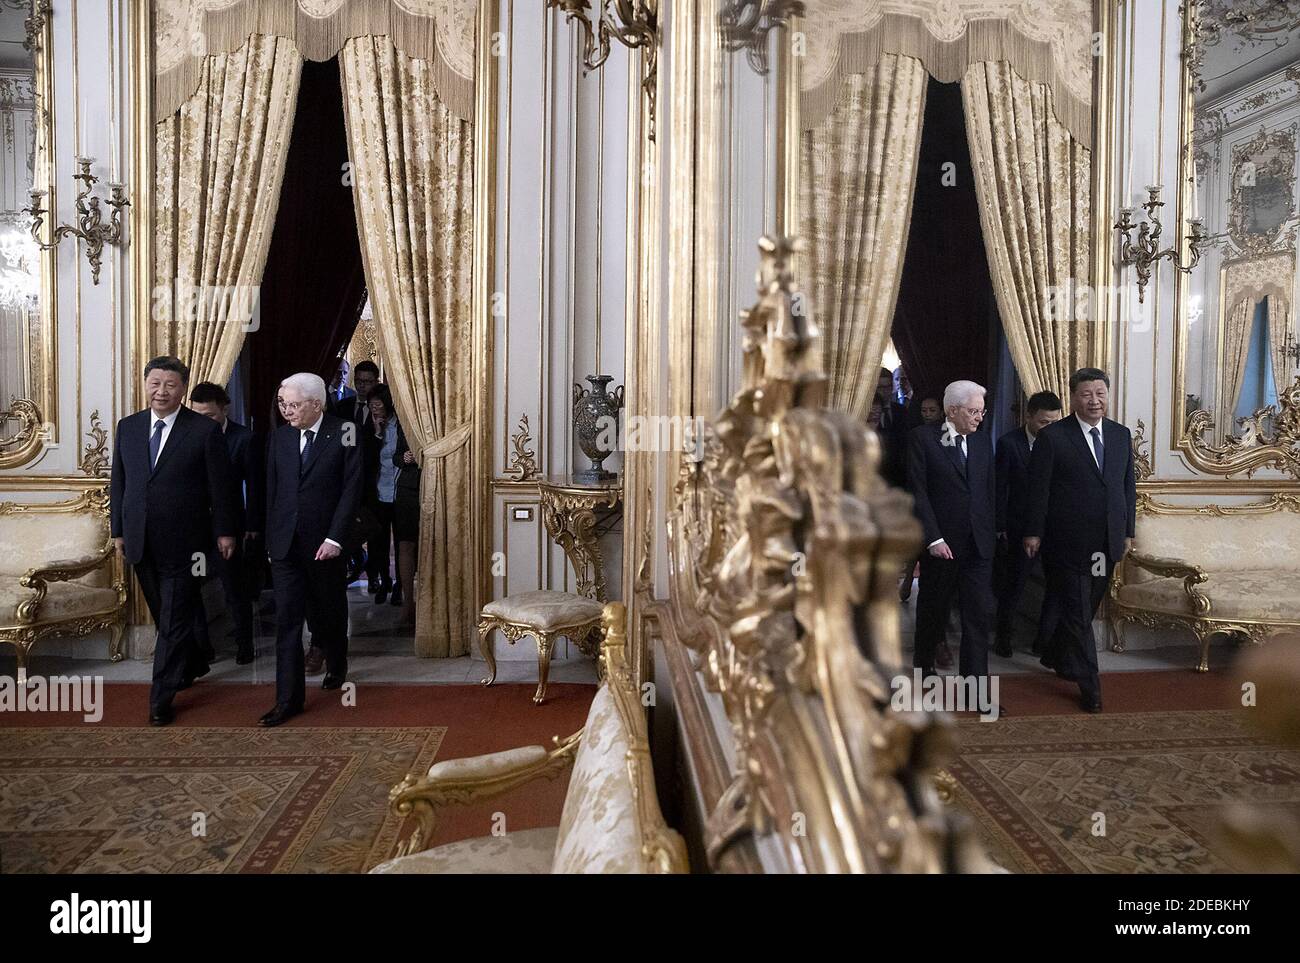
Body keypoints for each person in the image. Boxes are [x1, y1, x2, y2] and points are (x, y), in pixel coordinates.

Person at [110, 357, 237, 726]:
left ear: (182, 389)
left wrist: (225, 531)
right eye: (155, 383)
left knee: (173, 617)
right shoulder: (128, 427)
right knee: (164, 609)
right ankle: (195, 660)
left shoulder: (202, 430)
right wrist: (118, 530)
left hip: (187, 542)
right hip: (139, 538)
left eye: (170, 384)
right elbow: (120, 482)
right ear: (145, 383)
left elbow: (221, 487)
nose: (161, 391)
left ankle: (161, 696)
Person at [1024, 368, 1136, 714]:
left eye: (1100, 393)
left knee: (1086, 608)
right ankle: (1090, 685)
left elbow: (1126, 488)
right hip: (1068, 542)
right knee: (1076, 611)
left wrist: (1128, 531)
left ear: (1107, 395)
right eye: (1087, 394)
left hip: (1107, 542)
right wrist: (1033, 531)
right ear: (1073, 397)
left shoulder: (1120, 435)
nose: (1094, 400)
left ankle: (1054, 653)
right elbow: (1038, 491)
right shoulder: (1054, 437)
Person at [261, 372, 362, 727]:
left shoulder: (344, 432)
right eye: (282, 404)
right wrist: (271, 541)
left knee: (328, 610)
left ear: (316, 404)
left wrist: (335, 539)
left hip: (326, 544)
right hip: (286, 545)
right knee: (288, 621)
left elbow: (352, 491)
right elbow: (272, 492)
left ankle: (337, 662)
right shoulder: (281, 438)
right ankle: (288, 699)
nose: (286, 411)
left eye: (293, 404)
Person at [907, 380, 997, 690]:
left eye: (981, 412)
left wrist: (994, 531)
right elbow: (917, 493)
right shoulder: (923, 439)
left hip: (978, 544)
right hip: (941, 544)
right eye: (973, 411)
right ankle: (924, 665)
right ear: (952, 410)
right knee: (934, 608)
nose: (979, 418)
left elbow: (989, 491)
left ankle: (976, 687)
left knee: (978, 615)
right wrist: (933, 539)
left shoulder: (984, 442)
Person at [189, 381, 264, 666]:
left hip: (232, 527)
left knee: (234, 588)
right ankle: (202, 647)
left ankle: (244, 642)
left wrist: (252, 527)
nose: (203, 421)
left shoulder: (243, 439)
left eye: (209, 415)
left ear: (224, 409)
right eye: (197, 414)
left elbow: (255, 488)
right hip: (195, 529)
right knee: (192, 586)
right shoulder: (188, 436)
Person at [994, 390, 1062, 657]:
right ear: (1029, 416)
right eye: (1044, 423)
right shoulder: (1009, 444)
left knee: (1055, 586)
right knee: (1014, 584)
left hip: (1054, 527)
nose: (1050, 428)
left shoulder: (1062, 442)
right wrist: (1000, 527)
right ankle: (1003, 636)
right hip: (1019, 526)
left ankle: (1043, 641)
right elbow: (1000, 488)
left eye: (1055, 422)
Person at [331, 359, 379, 584]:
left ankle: (376, 576)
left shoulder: (382, 408)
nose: (362, 386)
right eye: (359, 381)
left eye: (367, 382)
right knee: (348, 525)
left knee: (374, 527)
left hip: (374, 479)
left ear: (375, 382)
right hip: (345, 478)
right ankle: (350, 567)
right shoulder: (342, 407)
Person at [362, 385, 399, 605]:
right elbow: (366, 460)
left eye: (378, 404)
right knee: (379, 540)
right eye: (371, 405)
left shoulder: (400, 425)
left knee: (403, 540)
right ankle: (384, 581)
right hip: (378, 491)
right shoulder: (368, 428)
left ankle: (401, 585)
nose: (374, 409)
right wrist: (376, 434)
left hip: (400, 489)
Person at [391, 417, 422, 626]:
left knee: (431, 546)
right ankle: (407, 602)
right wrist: (404, 457)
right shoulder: (405, 418)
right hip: (408, 488)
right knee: (405, 544)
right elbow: (395, 456)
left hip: (434, 483)